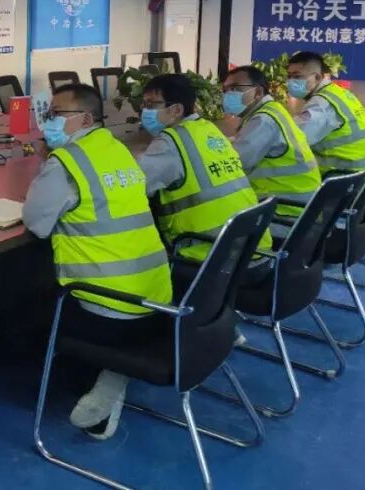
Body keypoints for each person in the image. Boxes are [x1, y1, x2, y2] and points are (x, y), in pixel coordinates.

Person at [24, 83, 172, 441]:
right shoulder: (117, 149)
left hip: (105, 311)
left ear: (86, 119)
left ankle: (94, 378)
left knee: (22, 309)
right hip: (157, 300)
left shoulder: (67, 162)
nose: (49, 121)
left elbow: (36, 222)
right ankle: (114, 373)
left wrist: (47, 163)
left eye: (57, 114)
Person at [137, 74, 267, 260]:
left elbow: (135, 186)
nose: (144, 111)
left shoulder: (170, 142)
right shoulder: (209, 129)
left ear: (176, 110)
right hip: (252, 247)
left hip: (208, 254)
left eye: (151, 105)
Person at [223, 65, 322, 218]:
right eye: (225, 90)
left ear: (258, 92)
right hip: (298, 205)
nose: (228, 95)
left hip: (283, 212)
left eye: (235, 88)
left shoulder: (264, 120)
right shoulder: (272, 110)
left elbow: (236, 163)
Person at [287, 51, 365, 174]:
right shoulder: (339, 93)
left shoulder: (322, 104)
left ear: (317, 77)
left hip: (348, 176)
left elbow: (292, 141)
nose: (290, 82)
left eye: (297, 77)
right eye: (289, 76)